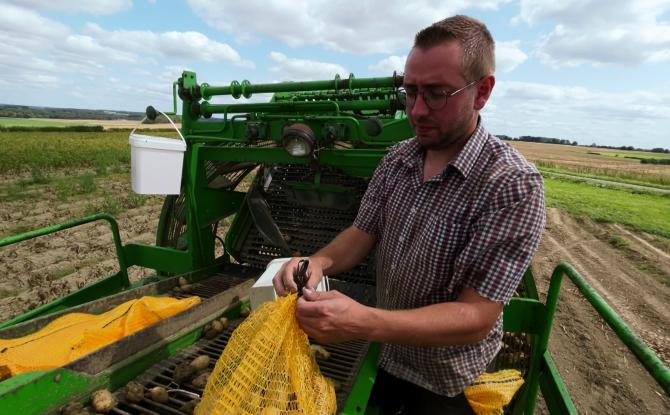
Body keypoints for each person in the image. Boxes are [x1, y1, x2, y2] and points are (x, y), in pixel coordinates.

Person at [272, 15, 545, 414]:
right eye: (410, 91)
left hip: (445, 380)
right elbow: (362, 233)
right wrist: (317, 260)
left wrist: (364, 321)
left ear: (482, 91)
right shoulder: (398, 159)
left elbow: (476, 316)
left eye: (436, 93)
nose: (416, 110)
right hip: (382, 353)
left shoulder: (511, 184)